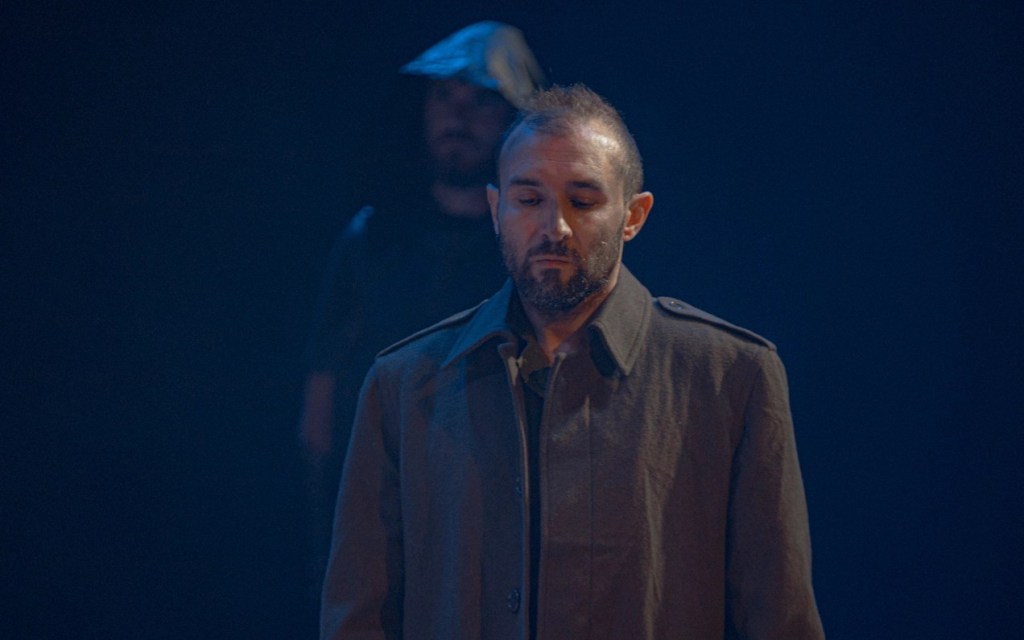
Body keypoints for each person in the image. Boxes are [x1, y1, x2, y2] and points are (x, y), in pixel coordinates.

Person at [321, 85, 825, 639]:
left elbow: (779, 617)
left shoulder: (731, 376)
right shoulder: (404, 382)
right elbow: (358, 616)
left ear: (633, 215)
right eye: (528, 199)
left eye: (582, 202)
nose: (554, 228)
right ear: (496, 209)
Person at [298, 22, 546, 600]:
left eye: (481, 99)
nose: (458, 115)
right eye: (443, 95)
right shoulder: (373, 237)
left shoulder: (536, 247)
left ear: (514, 118)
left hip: (499, 528)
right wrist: (325, 537)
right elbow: (321, 399)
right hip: (386, 514)